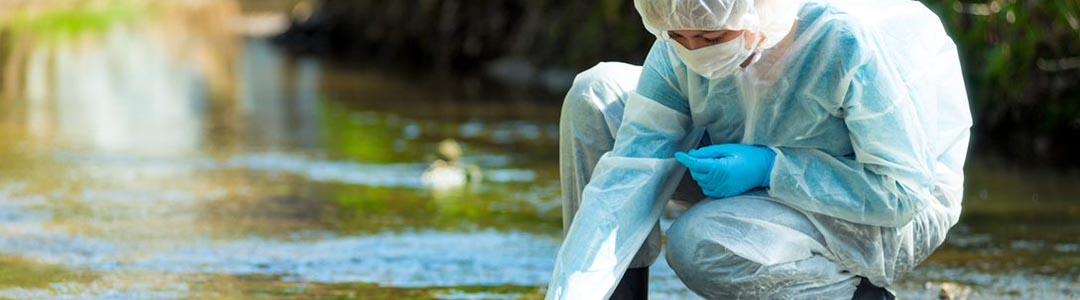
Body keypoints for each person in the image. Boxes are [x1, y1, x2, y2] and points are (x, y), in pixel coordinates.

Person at [547, 0, 972, 299]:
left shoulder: (843, 42)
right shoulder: (682, 32)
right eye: (678, 35)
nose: (694, 51)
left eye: (711, 36)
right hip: (745, 150)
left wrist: (773, 168)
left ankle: (854, 295)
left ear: (759, 11)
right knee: (596, 95)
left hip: (882, 203)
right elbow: (627, 178)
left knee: (700, 243)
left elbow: (902, 192)